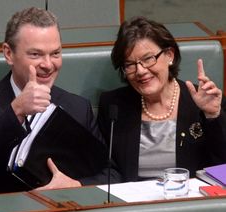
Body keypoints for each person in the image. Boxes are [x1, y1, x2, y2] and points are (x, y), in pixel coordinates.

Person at [0, 7, 119, 195]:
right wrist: (16, 110)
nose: (48, 64)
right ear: (9, 54)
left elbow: (110, 175)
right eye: (36, 54)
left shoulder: (78, 107)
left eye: (55, 54)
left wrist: (76, 185)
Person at [97, 16, 226, 182]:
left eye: (148, 59)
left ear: (169, 55)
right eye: (130, 64)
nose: (140, 71)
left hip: (188, 202)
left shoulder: (203, 101)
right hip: (133, 204)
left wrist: (213, 116)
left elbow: (222, 167)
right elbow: (106, 169)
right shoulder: (113, 106)